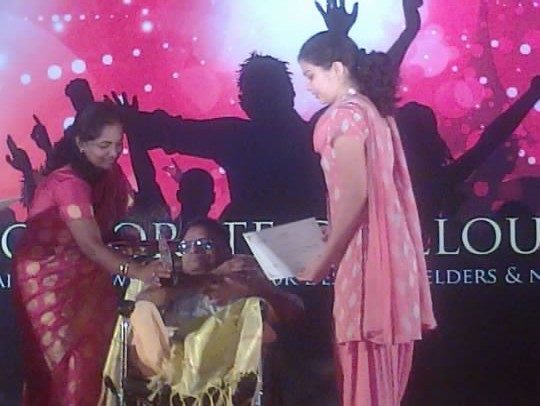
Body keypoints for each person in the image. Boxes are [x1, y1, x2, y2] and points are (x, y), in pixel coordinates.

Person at [297, 32, 436, 405]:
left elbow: (357, 195)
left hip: (365, 262)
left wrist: (322, 262)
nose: (308, 86)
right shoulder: (375, 113)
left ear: (337, 68)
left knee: (364, 378)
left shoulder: (343, 116)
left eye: (310, 75)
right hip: (389, 262)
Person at [10, 102, 170, 406]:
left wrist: (130, 246)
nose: (113, 153)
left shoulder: (108, 176)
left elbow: (99, 236)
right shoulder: (68, 183)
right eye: (104, 145)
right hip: (47, 283)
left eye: (118, 145)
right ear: (81, 144)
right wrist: (138, 271)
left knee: (95, 359)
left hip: (86, 275)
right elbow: (91, 246)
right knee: (62, 367)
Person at [128, 217, 303, 404]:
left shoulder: (242, 273)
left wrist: (254, 290)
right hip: (173, 369)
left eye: (204, 244)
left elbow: (294, 310)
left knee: (252, 312)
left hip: (229, 373)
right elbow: (144, 303)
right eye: (186, 246)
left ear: (227, 250)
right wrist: (207, 278)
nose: (194, 251)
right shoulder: (170, 278)